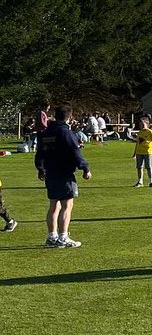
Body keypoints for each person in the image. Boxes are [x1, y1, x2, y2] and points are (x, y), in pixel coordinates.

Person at [35, 106, 92, 248]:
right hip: (64, 172)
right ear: (69, 117)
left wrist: (40, 168)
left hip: (50, 172)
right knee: (67, 205)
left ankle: (51, 236)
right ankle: (63, 237)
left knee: (54, 204)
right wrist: (85, 168)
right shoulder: (65, 132)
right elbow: (75, 151)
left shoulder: (47, 131)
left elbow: (40, 152)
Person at [132, 115, 152, 188]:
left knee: (148, 167)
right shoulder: (140, 132)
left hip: (147, 152)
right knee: (139, 167)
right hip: (139, 152)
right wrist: (134, 153)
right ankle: (140, 181)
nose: (141, 126)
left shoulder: (150, 132)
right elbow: (137, 143)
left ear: (147, 124)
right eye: (140, 124)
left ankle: (151, 181)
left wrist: (150, 146)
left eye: (143, 124)